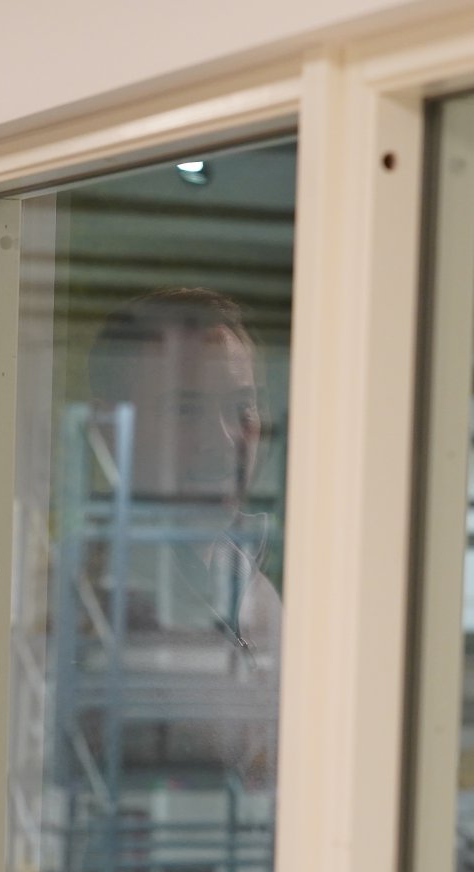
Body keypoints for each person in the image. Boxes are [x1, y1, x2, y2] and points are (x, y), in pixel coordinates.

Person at [86, 287, 283, 786]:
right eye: (185, 409)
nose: (224, 440)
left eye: (242, 407)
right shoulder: (84, 609)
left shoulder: (261, 589)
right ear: (109, 430)